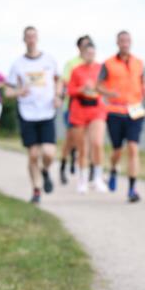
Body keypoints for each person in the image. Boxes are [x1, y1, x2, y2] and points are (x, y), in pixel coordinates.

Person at [7, 25, 61, 203]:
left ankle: (45, 170)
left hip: (46, 112)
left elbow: (58, 81)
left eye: (33, 36)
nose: (31, 39)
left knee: (49, 153)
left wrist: (58, 96)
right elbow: (8, 91)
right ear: (24, 40)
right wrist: (19, 92)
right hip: (28, 113)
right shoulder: (18, 64)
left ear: (37, 38)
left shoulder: (49, 60)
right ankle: (36, 190)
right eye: (28, 36)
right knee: (33, 154)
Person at [98, 31, 145, 203]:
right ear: (117, 43)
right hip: (115, 111)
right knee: (117, 150)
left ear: (131, 42)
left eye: (127, 40)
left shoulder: (138, 63)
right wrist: (109, 93)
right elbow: (98, 86)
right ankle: (113, 168)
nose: (125, 43)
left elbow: (142, 81)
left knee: (133, 148)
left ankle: (132, 189)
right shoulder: (108, 63)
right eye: (122, 41)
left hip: (135, 111)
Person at [66, 40, 109, 194]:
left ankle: (97, 178)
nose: (90, 55)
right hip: (79, 110)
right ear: (82, 54)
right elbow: (70, 90)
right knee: (82, 147)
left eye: (92, 53)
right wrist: (81, 89)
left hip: (96, 109)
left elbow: (107, 87)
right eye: (87, 53)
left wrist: (98, 89)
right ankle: (82, 180)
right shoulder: (76, 70)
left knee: (97, 143)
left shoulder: (101, 69)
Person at [60, 35, 92, 184]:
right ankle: (64, 165)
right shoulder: (71, 64)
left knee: (89, 140)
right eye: (85, 45)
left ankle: (87, 169)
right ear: (79, 47)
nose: (87, 47)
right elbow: (65, 83)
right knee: (71, 140)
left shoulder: (95, 64)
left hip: (90, 107)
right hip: (73, 107)